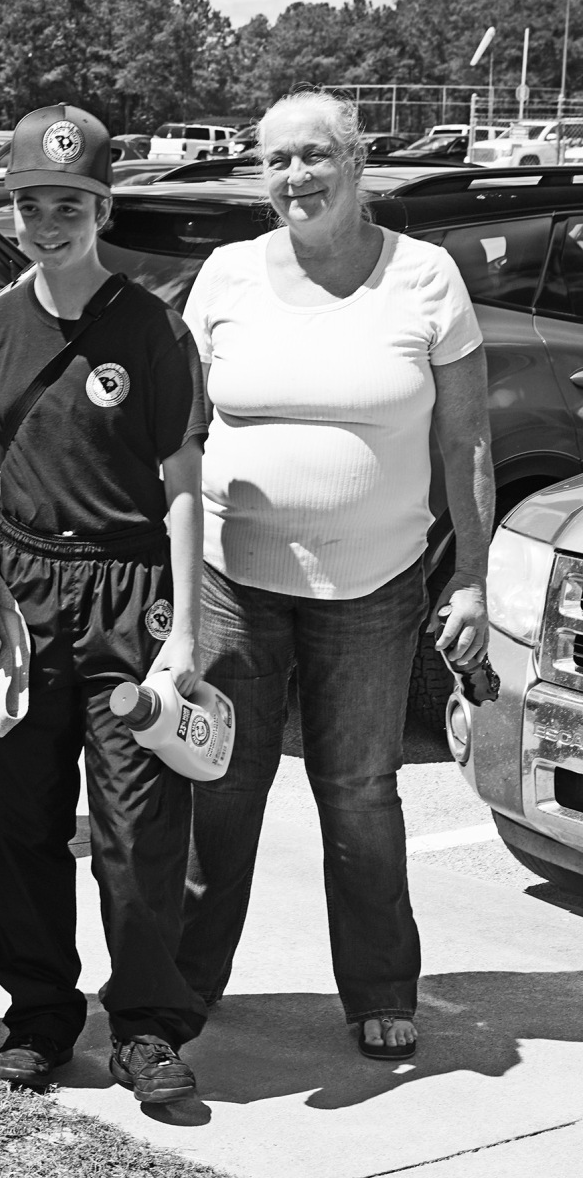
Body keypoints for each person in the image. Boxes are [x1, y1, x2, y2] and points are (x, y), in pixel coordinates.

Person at [177, 91, 493, 1060]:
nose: (295, 177)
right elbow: (181, 435)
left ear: (357, 162)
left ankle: (380, 988)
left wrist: (471, 577)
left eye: (314, 155)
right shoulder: (226, 275)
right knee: (220, 784)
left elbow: (467, 442)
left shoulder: (425, 276)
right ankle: (181, 985)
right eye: (276, 160)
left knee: (358, 788)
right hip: (232, 579)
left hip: (375, 584)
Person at [0, 104, 210, 1102]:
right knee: (17, 818)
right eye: (31, 204)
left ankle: (145, 1026)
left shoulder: (153, 329)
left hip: (129, 595)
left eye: (69, 204)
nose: (48, 223)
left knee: (137, 828)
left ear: (103, 209)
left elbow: (181, 483)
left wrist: (185, 630)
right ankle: (39, 1017)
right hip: (22, 595)